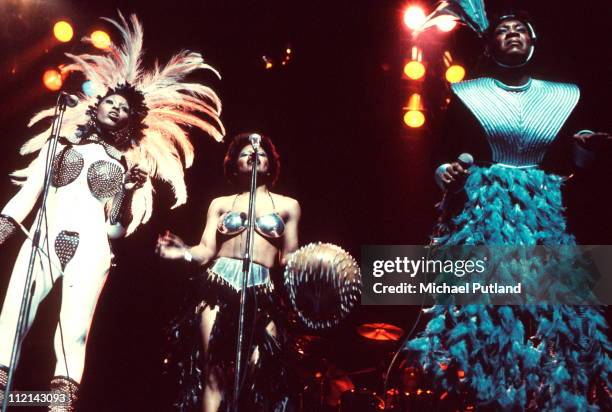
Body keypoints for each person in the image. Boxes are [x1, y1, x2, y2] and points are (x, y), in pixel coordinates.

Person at [0, 13, 223, 411]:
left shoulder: (124, 167)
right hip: (41, 238)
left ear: (131, 122)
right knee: (12, 316)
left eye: (125, 109)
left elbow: (115, 230)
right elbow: (26, 197)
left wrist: (129, 191)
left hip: (91, 249)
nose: (117, 109)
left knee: (73, 333)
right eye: (112, 103)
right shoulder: (59, 145)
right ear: (97, 105)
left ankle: (57, 406)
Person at [404, 9, 612, 410]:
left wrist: (583, 152)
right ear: (489, 44)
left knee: (556, 316)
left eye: (520, 30)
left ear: (533, 42)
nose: (513, 34)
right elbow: (443, 155)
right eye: (503, 30)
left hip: (546, 215)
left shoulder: (563, 97)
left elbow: (574, 170)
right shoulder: (469, 95)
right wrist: (448, 173)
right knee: (492, 318)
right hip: (487, 213)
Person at [157, 133, 301, 412]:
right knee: (214, 370)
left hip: (262, 290)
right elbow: (205, 250)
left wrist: (310, 264)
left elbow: (290, 256)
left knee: (260, 371)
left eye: (260, 154)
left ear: (270, 165)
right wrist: (184, 251)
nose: (253, 156)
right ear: (234, 165)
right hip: (218, 284)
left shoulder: (288, 205)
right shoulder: (220, 204)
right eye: (245, 153)